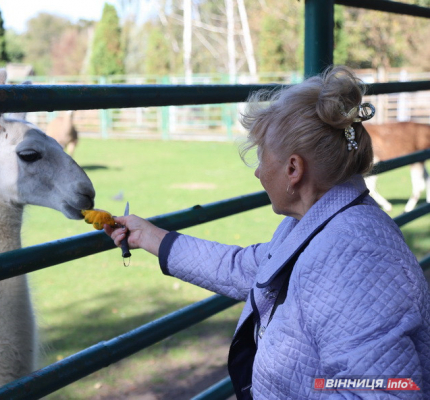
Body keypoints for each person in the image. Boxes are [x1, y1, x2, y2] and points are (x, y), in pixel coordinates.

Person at [104, 66, 430, 399]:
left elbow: (387, 393)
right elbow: (244, 268)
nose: (258, 172)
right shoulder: (316, 223)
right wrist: (148, 236)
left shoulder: (354, 257)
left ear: (293, 169)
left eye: (262, 157)